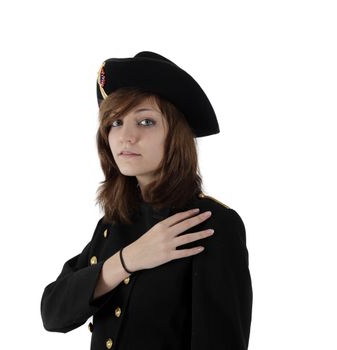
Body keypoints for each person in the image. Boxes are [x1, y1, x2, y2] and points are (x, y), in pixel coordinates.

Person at [40, 51, 253, 350]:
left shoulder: (211, 223)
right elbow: (53, 313)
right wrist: (128, 260)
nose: (126, 136)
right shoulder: (113, 222)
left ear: (175, 134)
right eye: (115, 122)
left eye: (146, 122)